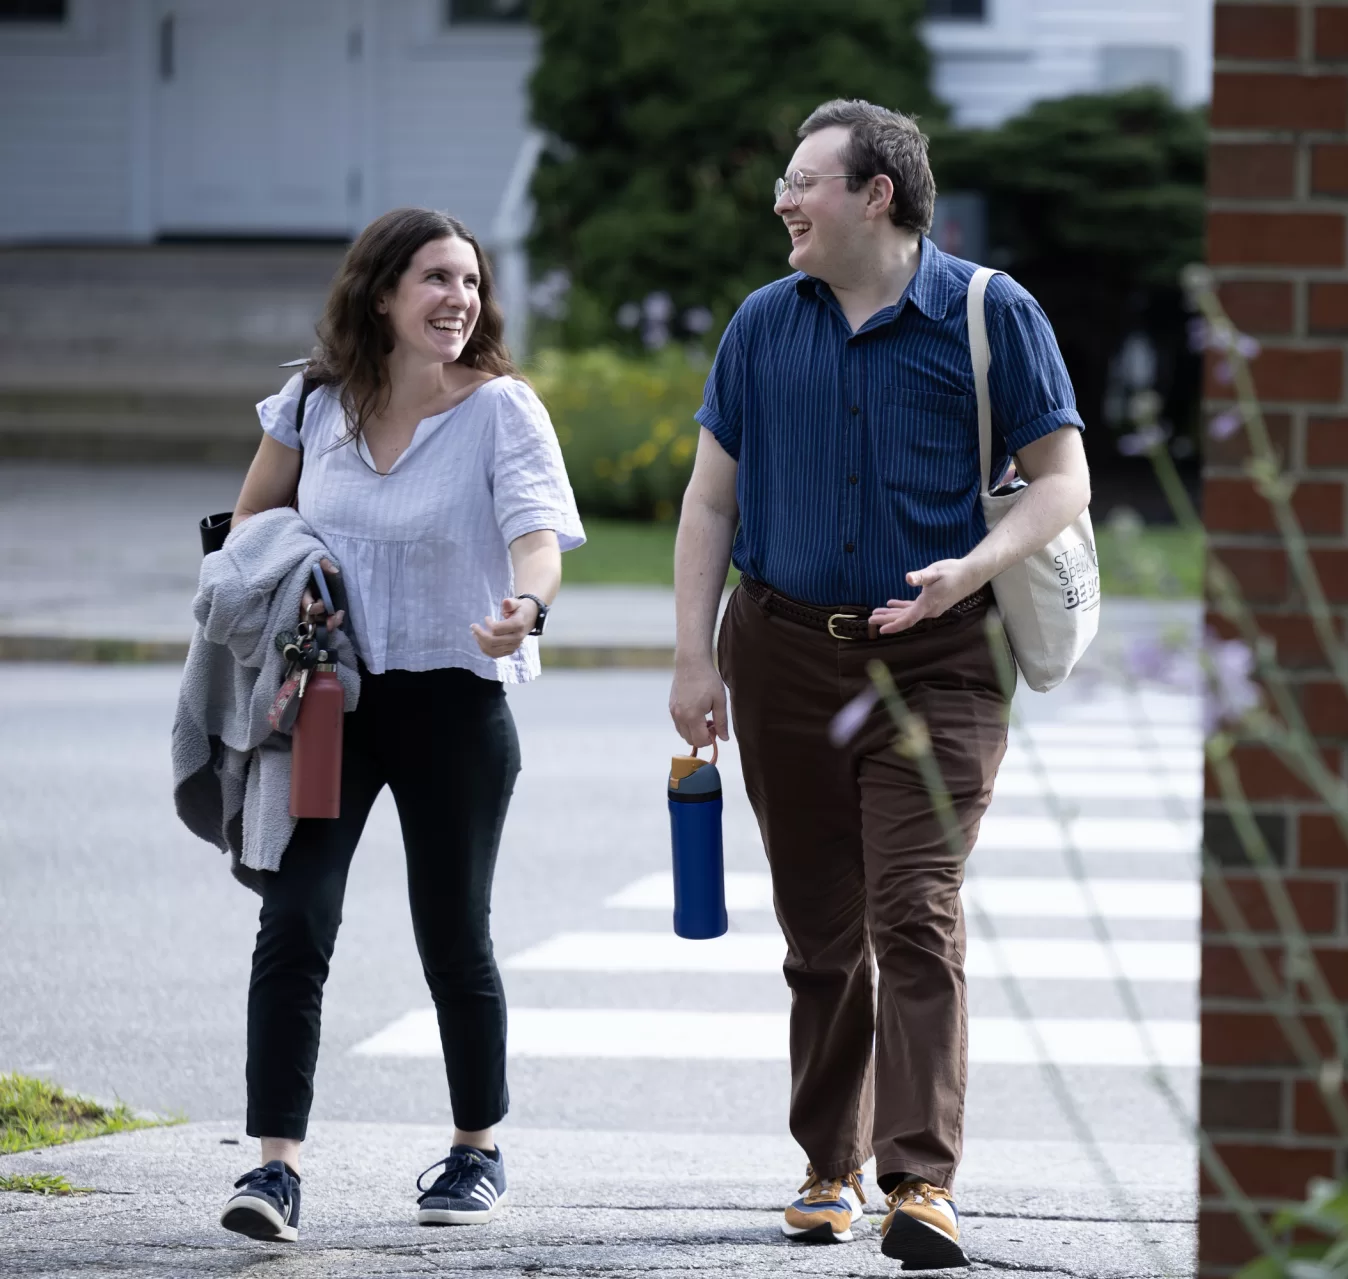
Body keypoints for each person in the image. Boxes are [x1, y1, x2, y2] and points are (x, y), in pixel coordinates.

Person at [668, 99, 1091, 1270]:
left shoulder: (989, 312)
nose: (781, 201)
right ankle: (826, 1165)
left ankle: (919, 1180)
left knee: (914, 911)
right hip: (783, 651)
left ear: (877, 195)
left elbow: (1062, 482)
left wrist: (974, 569)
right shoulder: (761, 326)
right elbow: (711, 499)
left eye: (803, 181)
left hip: (941, 658)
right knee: (819, 934)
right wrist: (693, 653)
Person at [216, 207, 583, 1242]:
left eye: (469, 282)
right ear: (380, 292)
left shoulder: (501, 410)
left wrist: (527, 606)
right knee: (294, 918)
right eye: (434, 278)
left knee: (451, 933)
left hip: (457, 703)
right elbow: (250, 524)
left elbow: (537, 539)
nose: (457, 299)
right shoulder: (311, 402)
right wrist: (300, 573)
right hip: (332, 700)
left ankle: (476, 1148)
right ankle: (273, 1168)